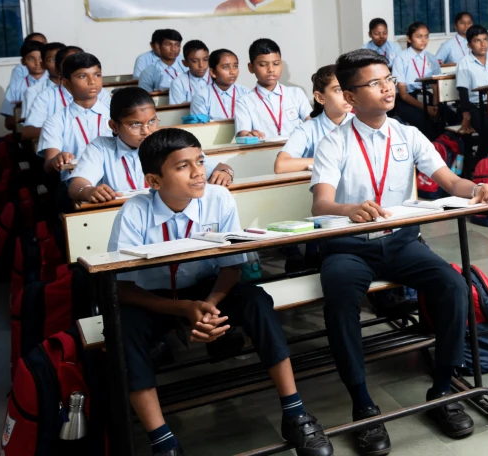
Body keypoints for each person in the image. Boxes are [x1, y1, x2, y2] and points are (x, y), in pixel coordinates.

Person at [311, 49, 488, 453]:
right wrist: (351, 210)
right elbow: (321, 205)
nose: (387, 88)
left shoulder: (407, 134)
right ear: (349, 97)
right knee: (341, 300)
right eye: (374, 83)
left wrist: (478, 189)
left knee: (453, 286)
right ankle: (363, 407)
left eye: (388, 79)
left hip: (400, 243)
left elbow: (450, 182)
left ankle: (443, 393)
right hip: (349, 247)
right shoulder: (333, 143)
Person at [108, 128, 331, 456]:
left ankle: (295, 412)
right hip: (154, 298)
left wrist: (209, 305)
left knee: (257, 300)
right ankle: (163, 442)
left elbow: (231, 266)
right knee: (123, 329)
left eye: (200, 161)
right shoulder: (134, 212)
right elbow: (122, 289)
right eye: (183, 166)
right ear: (154, 181)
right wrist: (185, 309)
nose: (199, 171)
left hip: (208, 289)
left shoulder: (218, 198)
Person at [70, 87, 235, 205]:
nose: (147, 131)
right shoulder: (100, 148)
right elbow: (77, 184)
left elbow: (220, 167)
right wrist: (88, 191)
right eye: (135, 124)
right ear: (114, 126)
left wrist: (225, 172)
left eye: (152, 121)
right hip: (120, 215)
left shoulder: (168, 142)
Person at [38, 52, 110, 181]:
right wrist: (57, 159)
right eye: (82, 76)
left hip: (114, 182)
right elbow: (48, 165)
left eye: (97, 75)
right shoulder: (55, 121)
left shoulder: (114, 115)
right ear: (66, 83)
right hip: (75, 184)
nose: (92, 81)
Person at [275, 64, 353, 174]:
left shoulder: (362, 123)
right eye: (338, 90)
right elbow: (281, 165)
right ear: (320, 98)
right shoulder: (307, 129)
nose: (347, 95)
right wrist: (327, 161)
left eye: (350, 88)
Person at [235, 38, 311, 140]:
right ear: (251, 68)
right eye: (262, 65)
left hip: (297, 152)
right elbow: (243, 133)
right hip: (264, 152)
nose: (271, 69)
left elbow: (310, 121)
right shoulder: (244, 102)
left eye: (276, 64)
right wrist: (248, 135)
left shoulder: (296, 93)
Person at [455, 25, 488, 158]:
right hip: (475, 106)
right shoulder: (465, 62)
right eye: (477, 41)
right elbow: (463, 91)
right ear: (469, 45)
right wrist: (466, 116)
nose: (483, 44)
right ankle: (480, 165)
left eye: (485, 39)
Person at [391, 21, 444, 136]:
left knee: (446, 115)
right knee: (424, 120)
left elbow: (436, 84)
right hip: (408, 99)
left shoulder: (431, 58)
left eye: (426, 36)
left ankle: (444, 149)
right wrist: (426, 108)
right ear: (409, 39)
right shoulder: (401, 59)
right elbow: (403, 94)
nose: (423, 40)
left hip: (428, 97)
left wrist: (434, 106)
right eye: (419, 36)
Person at [0, 39, 45, 131]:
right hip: (25, 137)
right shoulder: (15, 86)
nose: (37, 63)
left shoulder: (55, 83)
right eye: (31, 58)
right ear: (23, 61)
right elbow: (8, 124)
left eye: (41, 58)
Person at [192, 49, 247, 122]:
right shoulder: (201, 97)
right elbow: (200, 128)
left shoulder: (246, 93)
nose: (232, 72)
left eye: (235, 66)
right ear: (213, 72)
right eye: (226, 67)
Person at [20, 41, 65, 127]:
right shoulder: (33, 91)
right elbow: (30, 128)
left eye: (61, 59)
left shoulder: (79, 89)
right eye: (52, 60)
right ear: (43, 64)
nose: (57, 64)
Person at [167, 40, 212, 108]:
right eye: (195, 61)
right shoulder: (178, 83)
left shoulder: (217, 77)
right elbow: (177, 111)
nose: (201, 65)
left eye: (205, 60)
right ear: (185, 63)